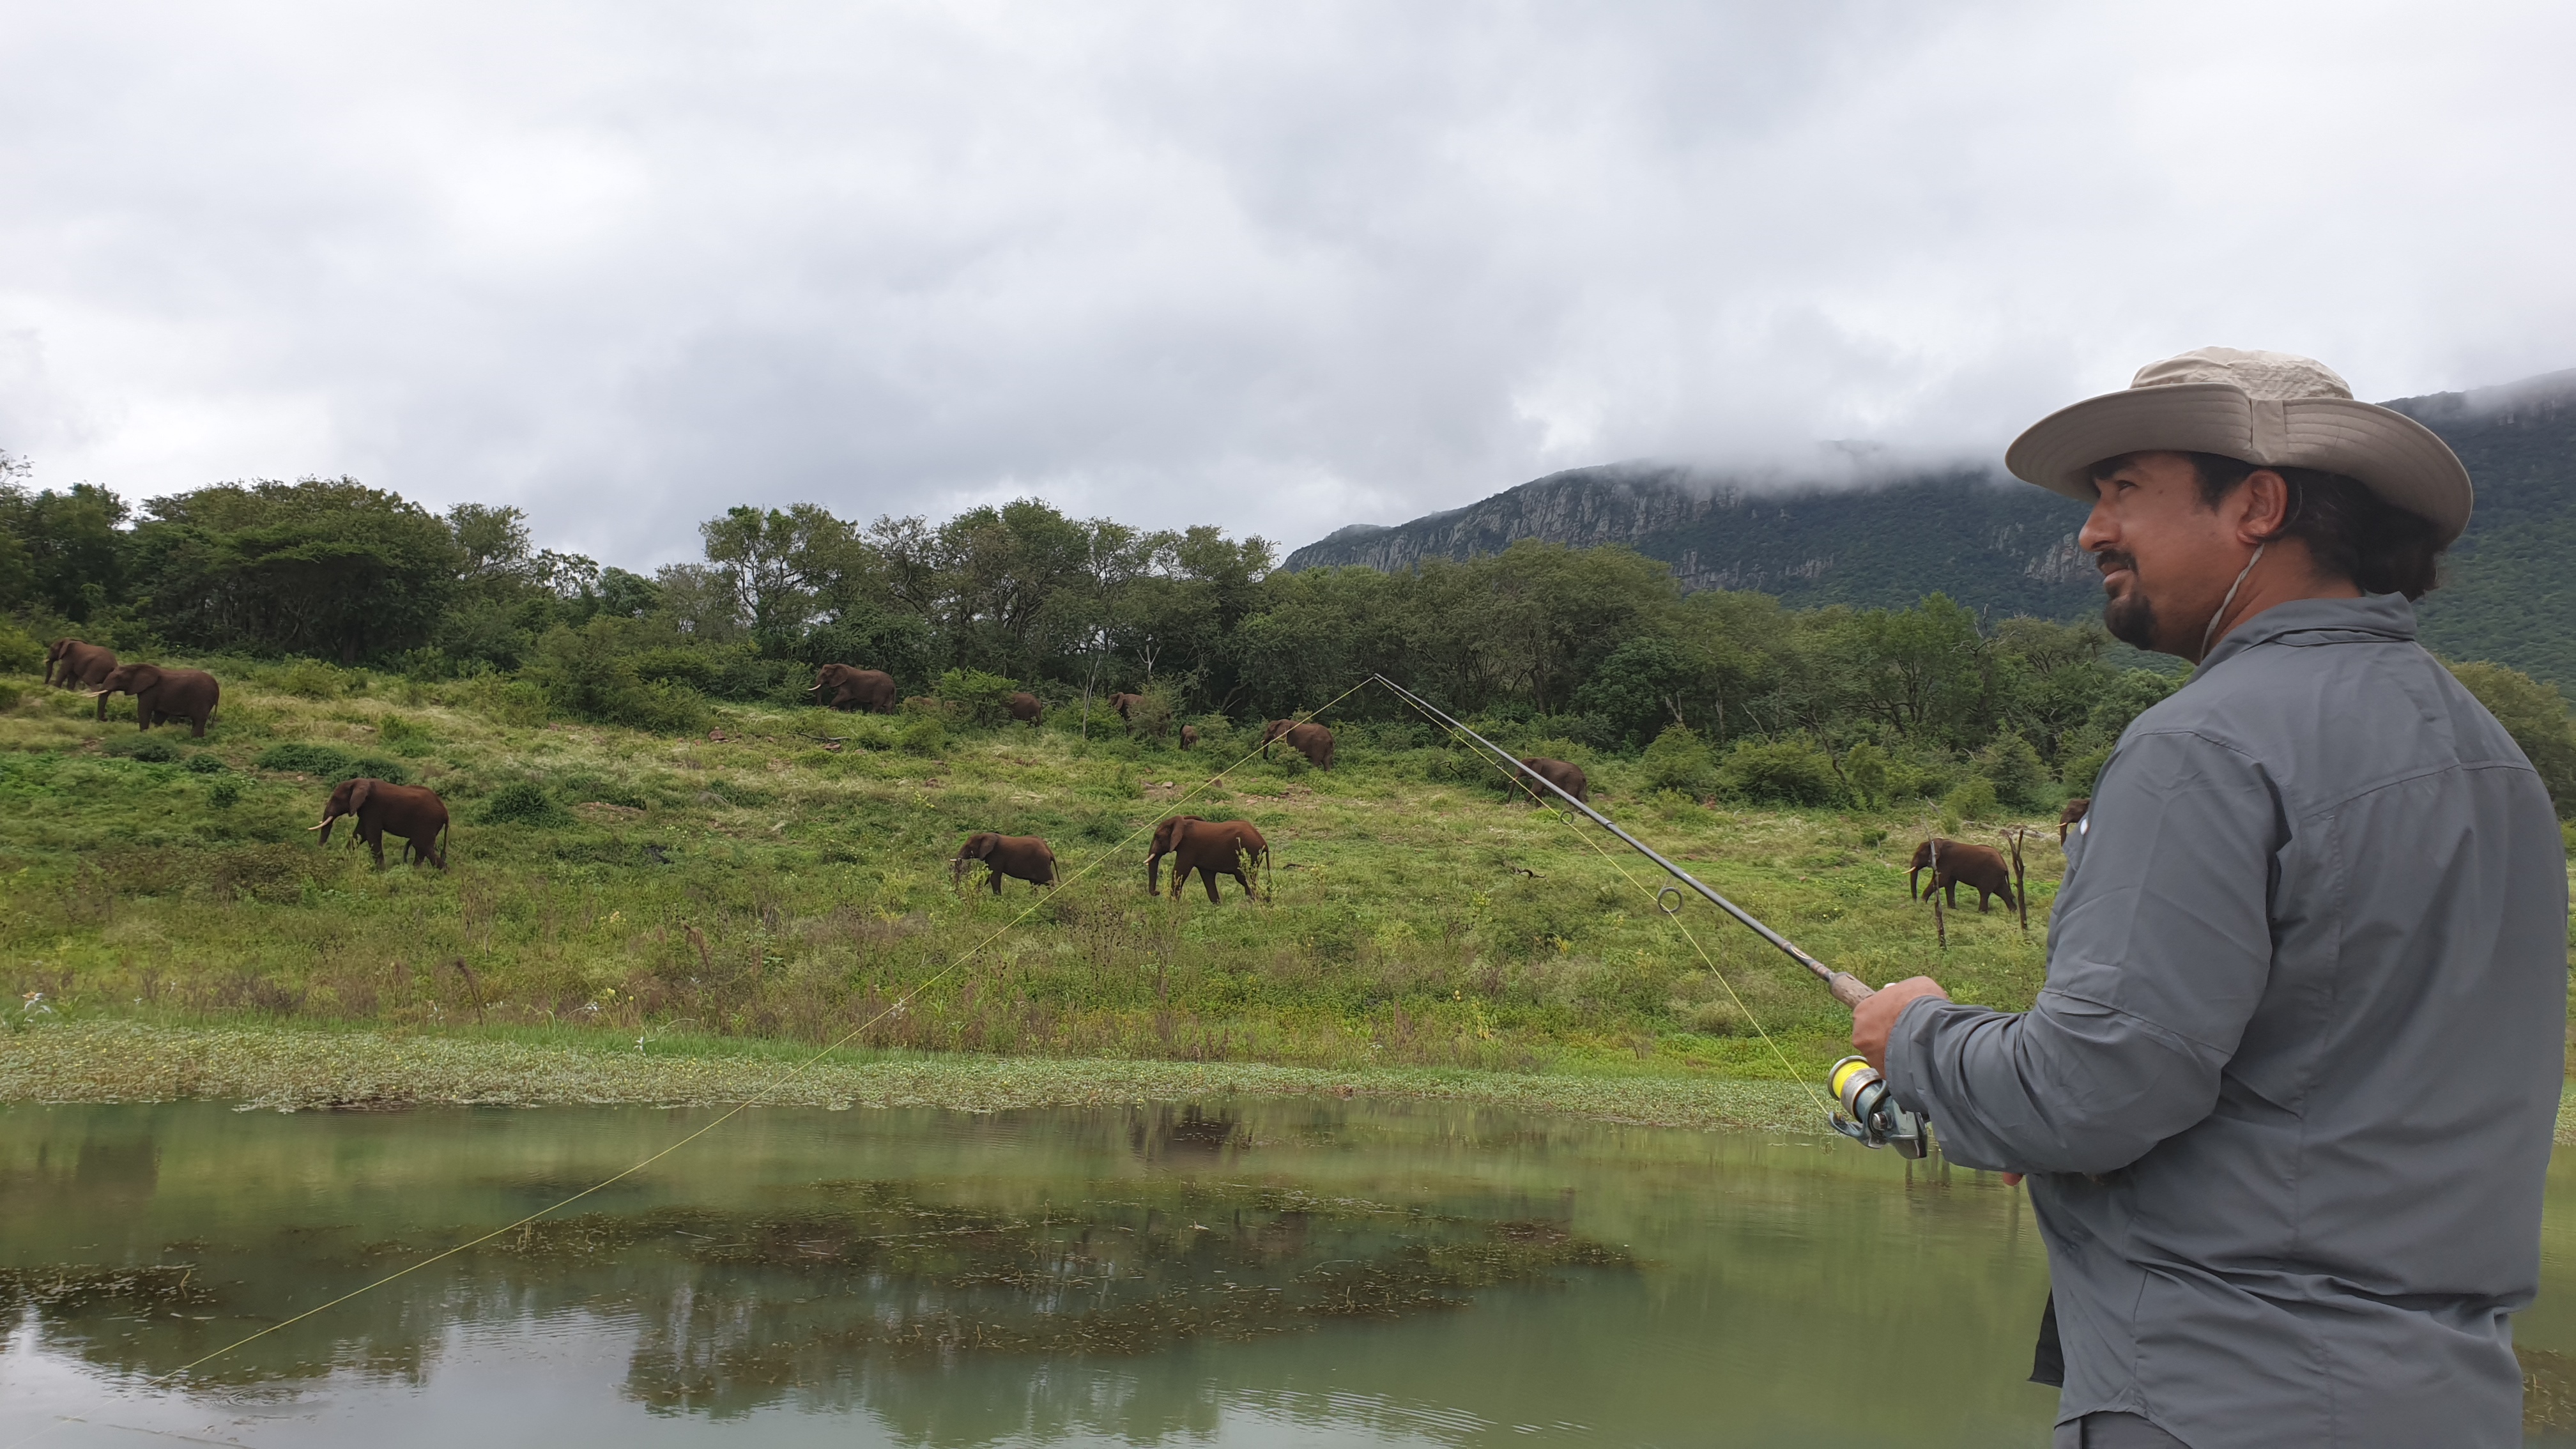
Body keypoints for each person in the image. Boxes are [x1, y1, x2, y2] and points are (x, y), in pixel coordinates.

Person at [1850, 348, 2568, 1449]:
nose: (2092, 531)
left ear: (2259, 506)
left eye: (2125, 488)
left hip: (2218, 1397)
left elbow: (2089, 1093)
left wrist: (1917, 1038)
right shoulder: (2498, 767)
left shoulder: (2203, 745)